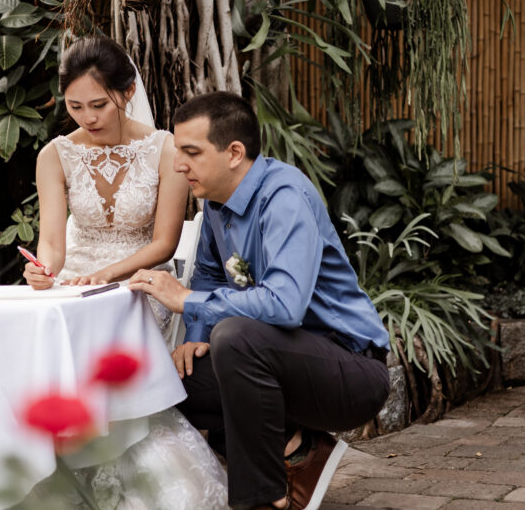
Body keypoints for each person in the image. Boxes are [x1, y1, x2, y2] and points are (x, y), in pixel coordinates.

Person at [128, 91, 391, 510]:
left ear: (234, 152)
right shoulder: (216, 202)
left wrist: (189, 303)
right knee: (175, 379)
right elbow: (213, 271)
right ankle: (298, 453)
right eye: (178, 151)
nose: (179, 164)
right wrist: (195, 334)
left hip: (351, 372)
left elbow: (286, 306)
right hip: (284, 362)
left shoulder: (284, 197)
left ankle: (263, 500)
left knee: (235, 336)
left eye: (191, 152)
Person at [22, 36, 228, 509]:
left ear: (127, 90)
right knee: (51, 334)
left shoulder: (164, 149)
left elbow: (164, 242)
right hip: (73, 283)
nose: (88, 117)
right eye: (75, 106)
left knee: (105, 336)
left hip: (139, 283)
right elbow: (52, 243)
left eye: (99, 103)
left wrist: (108, 276)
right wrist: (43, 270)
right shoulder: (54, 155)